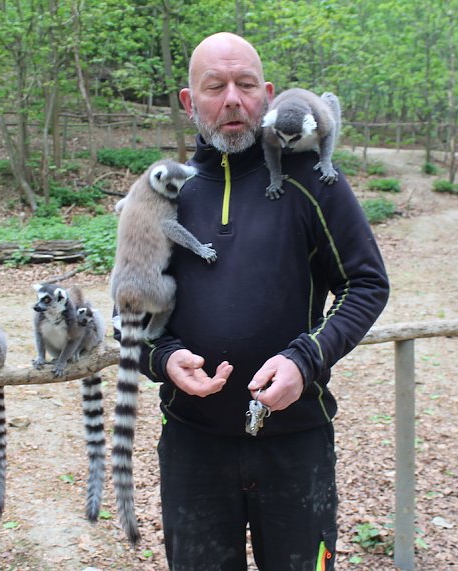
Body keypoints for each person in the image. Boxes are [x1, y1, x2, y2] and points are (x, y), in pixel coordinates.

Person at [140, 32, 390, 571]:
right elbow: (129, 310)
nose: (232, 99)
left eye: (246, 85)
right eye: (215, 86)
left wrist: (306, 359)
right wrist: (161, 357)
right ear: (189, 102)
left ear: (268, 94)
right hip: (193, 446)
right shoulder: (163, 192)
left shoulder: (312, 182)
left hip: (296, 444)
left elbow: (366, 283)